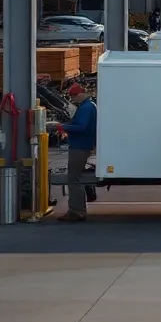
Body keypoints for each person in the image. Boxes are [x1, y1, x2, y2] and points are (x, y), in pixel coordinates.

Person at [58, 84, 96, 222]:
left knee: (74, 179)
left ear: (80, 94)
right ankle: (77, 210)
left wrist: (62, 126)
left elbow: (81, 127)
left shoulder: (86, 108)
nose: (73, 100)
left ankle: (76, 211)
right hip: (84, 145)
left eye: (73, 97)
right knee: (75, 178)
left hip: (80, 146)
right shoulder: (89, 106)